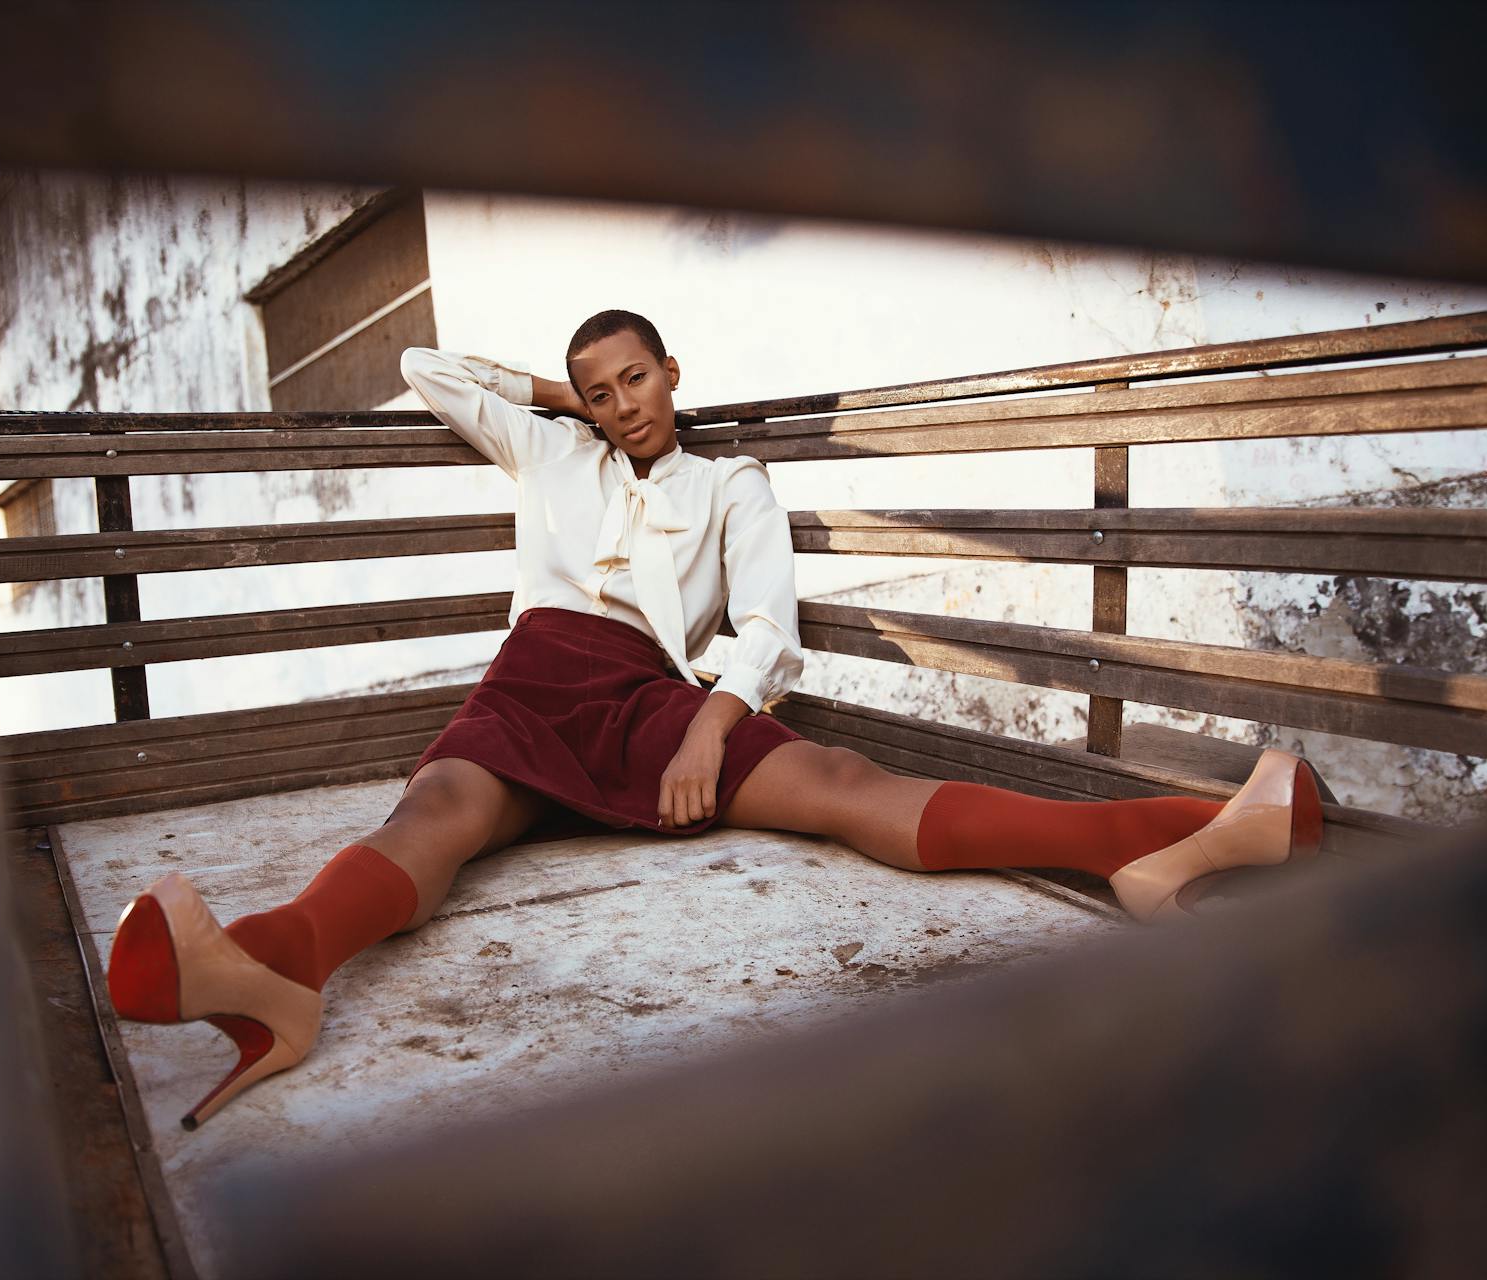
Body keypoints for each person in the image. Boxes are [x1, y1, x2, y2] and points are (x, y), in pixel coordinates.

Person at [105, 309, 1325, 1129]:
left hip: (657, 696)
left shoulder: (730, 482)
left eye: (635, 378)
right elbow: (430, 369)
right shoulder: (551, 456)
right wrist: (561, 403)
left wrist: (704, 729)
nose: (621, 403)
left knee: (844, 783)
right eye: (598, 390)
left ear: (673, 375)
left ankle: (1167, 835)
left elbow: (767, 627)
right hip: (532, 685)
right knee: (435, 808)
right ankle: (280, 963)